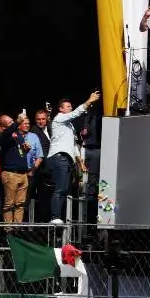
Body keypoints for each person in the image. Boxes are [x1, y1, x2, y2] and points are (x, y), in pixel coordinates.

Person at [44, 90, 100, 225]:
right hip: (59, 157)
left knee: (64, 189)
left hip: (67, 159)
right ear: (61, 109)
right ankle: (54, 217)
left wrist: (80, 162)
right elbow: (76, 113)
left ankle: (59, 217)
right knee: (60, 188)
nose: (70, 108)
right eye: (68, 106)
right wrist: (89, 101)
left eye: (70, 106)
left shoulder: (69, 126)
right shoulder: (59, 118)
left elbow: (74, 145)